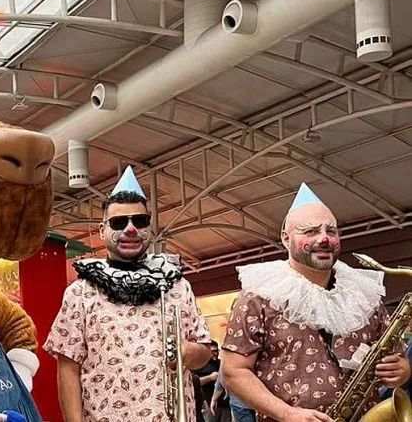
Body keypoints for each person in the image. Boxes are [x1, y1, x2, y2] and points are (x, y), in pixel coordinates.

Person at [221, 183, 411, 422]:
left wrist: (401, 370)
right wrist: (287, 414)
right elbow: (233, 372)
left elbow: (399, 360)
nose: (324, 239)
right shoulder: (258, 297)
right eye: (310, 231)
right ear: (286, 238)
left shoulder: (364, 294)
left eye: (331, 231)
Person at [45, 167, 213, 422]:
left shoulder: (177, 285)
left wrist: (191, 352)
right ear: (102, 230)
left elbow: (204, 352)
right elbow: (68, 368)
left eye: (139, 221)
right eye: (119, 222)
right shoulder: (80, 292)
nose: (131, 229)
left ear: (149, 226)